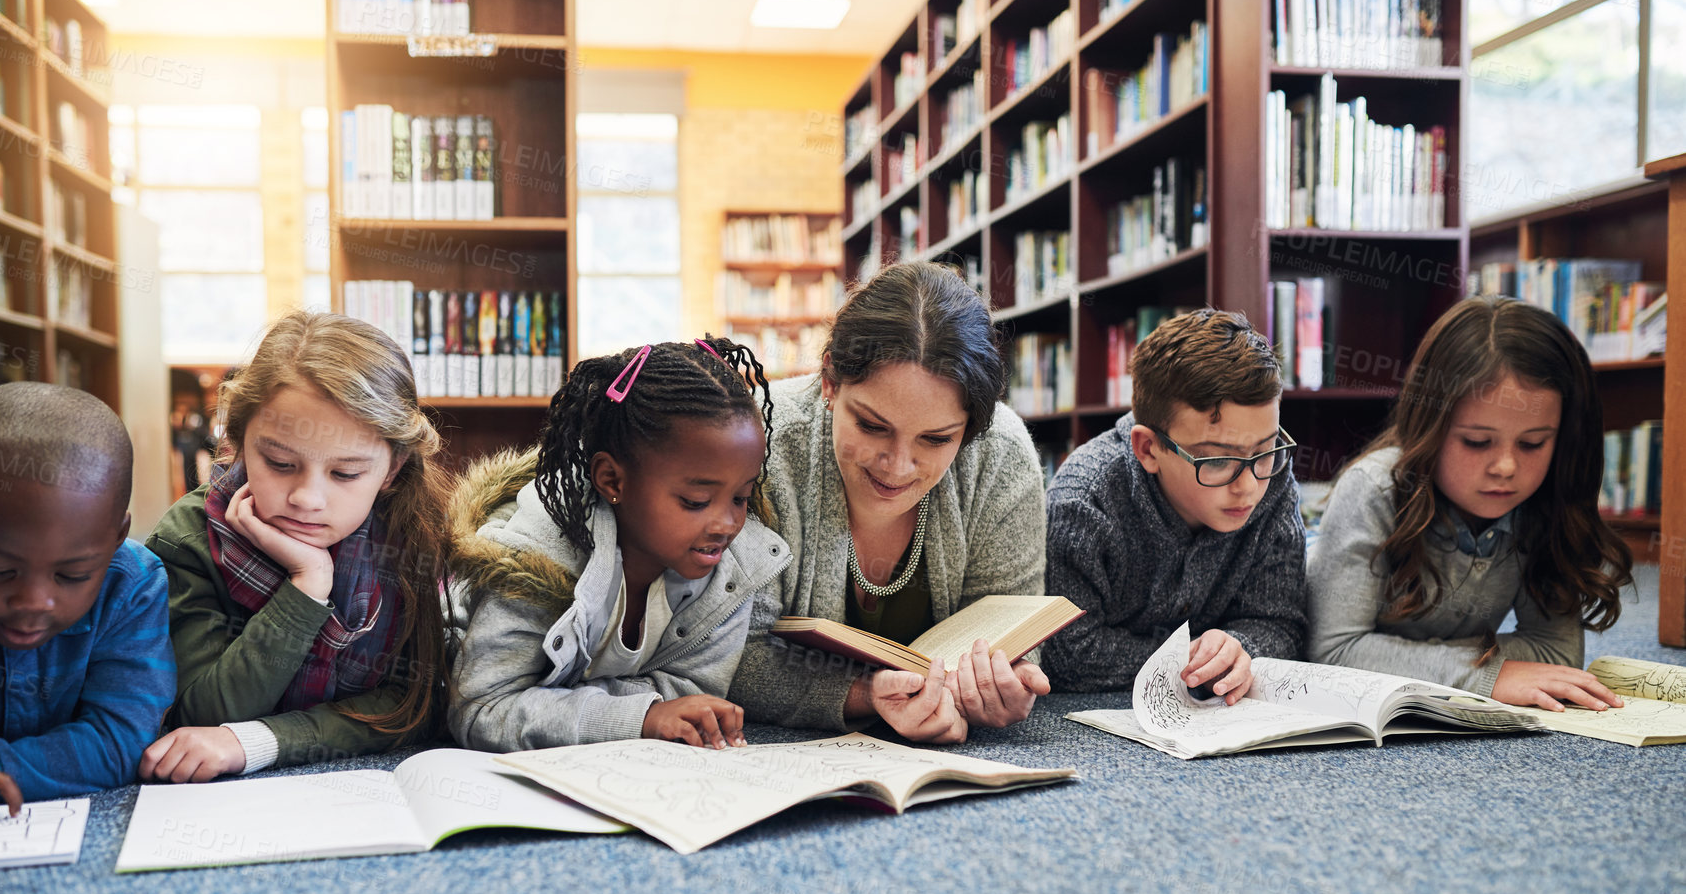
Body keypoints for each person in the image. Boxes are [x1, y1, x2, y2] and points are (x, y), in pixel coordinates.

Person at [727, 261, 1049, 744]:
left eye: (936, 439)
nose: (897, 467)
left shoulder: (999, 454)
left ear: (971, 431)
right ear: (830, 380)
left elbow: (1013, 627)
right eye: (872, 426)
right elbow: (726, 651)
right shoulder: (763, 445)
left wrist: (1003, 679)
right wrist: (865, 695)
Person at [140, 310, 454, 782]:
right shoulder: (187, 540)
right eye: (280, 462)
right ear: (239, 441)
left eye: (346, 474)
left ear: (392, 469)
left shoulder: (413, 535)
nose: (307, 499)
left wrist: (257, 741)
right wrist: (307, 588)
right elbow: (201, 716)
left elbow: (409, 705)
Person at [448, 337, 787, 750]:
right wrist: (641, 714)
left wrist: (646, 714)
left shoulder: (732, 571)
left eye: (741, 497)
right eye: (696, 501)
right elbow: (482, 709)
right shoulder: (535, 560)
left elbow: (690, 690)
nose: (728, 524)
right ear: (612, 480)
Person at [1307, 295, 1633, 711]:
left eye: (1533, 443)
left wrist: (1409, 659)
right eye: (1477, 441)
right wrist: (1484, 674)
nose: (1506, 467)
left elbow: (1558, 655)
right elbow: (1333, 653)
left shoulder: (1544, 502)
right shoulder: (1371, 489)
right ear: (1430, 426)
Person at [1045, 308, 1306, 702]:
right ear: (1149, 449)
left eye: (1266, 449)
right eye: (1218, 460)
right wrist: (1190, 659)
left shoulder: (1274, 480)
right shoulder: (1084, 503)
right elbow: (1067, 654)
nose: (1249, 486)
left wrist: (1237, 645)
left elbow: (1282, 624)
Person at [0, 382, 176, 822]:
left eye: (72, 575)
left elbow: (120, 742)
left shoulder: (131, 585)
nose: (34, 601)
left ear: (116, 537)